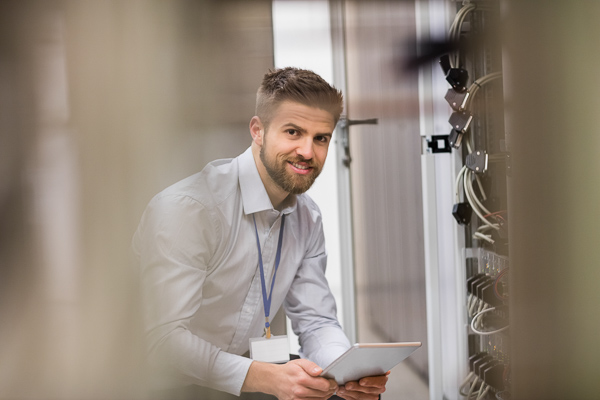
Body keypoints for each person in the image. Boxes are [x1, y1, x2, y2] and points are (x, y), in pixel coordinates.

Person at [132, 67, 389, 400]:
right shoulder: (188, 209)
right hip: (163, 382)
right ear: (258, 130)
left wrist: (346, 372)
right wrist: (267, 378)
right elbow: (163, 343)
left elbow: (316, 321)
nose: (308, 152)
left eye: (320, 138)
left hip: (243, 368)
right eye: (293, 132)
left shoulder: (306, 217)